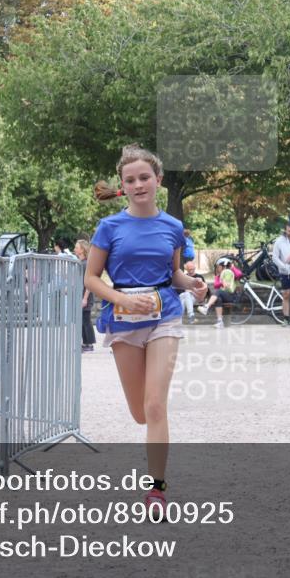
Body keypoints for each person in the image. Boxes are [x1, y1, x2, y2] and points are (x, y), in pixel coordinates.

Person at [85, 144, 207, 519]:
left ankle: (156, 489)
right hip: (123, 322)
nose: (139, 184)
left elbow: (174, 273)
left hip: (163, 318)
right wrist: (121, 298)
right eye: (130, 180)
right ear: (123, 186)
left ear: (158, 180)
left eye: (144, 178)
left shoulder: (173, 227)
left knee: (156, 405)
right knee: (140, 413)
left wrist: (193, 284)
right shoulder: (109, 227)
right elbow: (91, 278)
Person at [198, 258, 242, 329]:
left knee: (218, 292)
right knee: (218, 298)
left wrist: (232, 267)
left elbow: (239, 274)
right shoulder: (219, 276)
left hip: (232, 296)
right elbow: (216, 285)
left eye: (219, 266)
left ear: (223, 266)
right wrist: (222, 282)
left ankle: (206, 307)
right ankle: (220, 322)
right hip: (224, 295)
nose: (217, 268)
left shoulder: (229, 272)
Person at [271, 224, 290, 323]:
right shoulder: (279, 241)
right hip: (284, 272)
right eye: (289, 231)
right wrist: (283, 266)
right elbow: (275, 257)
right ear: (285, 231)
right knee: (286, 294)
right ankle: (286, 318)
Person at [74, 240, 96, 352]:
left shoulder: (86, 264)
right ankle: (85, 343)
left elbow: (89, 283)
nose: (74, 249)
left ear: (82, 249)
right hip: (81, 297)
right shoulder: (80, 263)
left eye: (76, 247)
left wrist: (85, 298)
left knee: (86, 320)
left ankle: (89, 344)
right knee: (82, 320)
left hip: (85, 297)